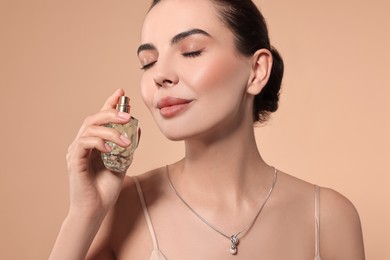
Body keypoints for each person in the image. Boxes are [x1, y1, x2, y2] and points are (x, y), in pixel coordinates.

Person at [49, 0, 365, 259]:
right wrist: (84, 213)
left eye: (191, 51)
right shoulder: (122, 208)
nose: (160, 75)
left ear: (256, 71)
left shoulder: (328, 217)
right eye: (148, 62)